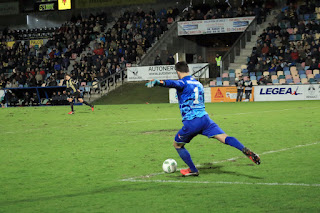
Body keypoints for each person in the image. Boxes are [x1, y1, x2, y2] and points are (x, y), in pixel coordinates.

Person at [145, 61, 260, 177]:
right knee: (224, 137)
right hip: (205, 119)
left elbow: (173, 84)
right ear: (188, 70)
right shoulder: (198, 83)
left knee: (177, 145)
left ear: (178, 72)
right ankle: (243, 149)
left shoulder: (182, 82)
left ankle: (193, 170)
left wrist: (159, 82)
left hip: (192, 122)